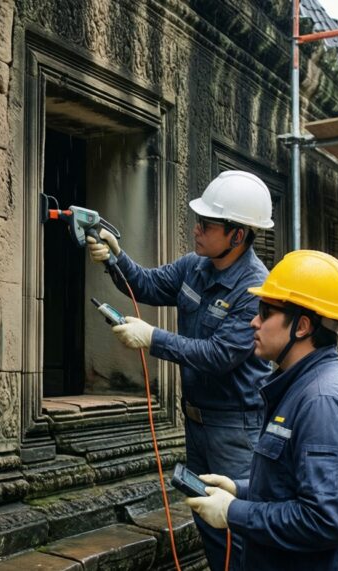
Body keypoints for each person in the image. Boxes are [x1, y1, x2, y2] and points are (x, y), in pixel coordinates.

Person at [87, 170, 273, 571]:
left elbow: (219, 355)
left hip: (235, 429)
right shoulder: (196, 266)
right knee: (206, 517)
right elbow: (148, 285)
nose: (197, 229)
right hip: (199, 423)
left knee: (236, 525)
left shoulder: (256, 288)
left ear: (237, 235)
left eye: (207, 224)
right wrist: (116, 258)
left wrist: (153, 338)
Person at [185, 250, 338, 570]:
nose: (254, 321)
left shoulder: (323, 402)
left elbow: (325, 519)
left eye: (266, 312)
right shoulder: (306, 387)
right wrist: (241, 490)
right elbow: (293, 481)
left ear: (302, 326)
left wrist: (233, 512)